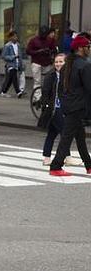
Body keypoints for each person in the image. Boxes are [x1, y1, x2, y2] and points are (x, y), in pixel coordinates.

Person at [48, 35, 91, 176]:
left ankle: (89, 165)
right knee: (67, 137)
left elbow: (60, 88)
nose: (89, 49)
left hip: (68, 105)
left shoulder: (67, 65)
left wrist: (65, 102)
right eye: (87, 47)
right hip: (78, 106)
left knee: (80, 136)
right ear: (80, 48)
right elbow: (89, 88)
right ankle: (55, 166)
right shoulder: (84, 65)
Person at [38, 52, 78, 167]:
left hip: (62, 108)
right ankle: (67, 157)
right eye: (56, 62)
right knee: (65, 133)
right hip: (54, 109)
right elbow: (45, 93)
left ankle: (46, 158)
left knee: (52, 134)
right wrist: (45, 107)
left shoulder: (67, 75)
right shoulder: (51, 75)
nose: (58, 64)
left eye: (61, 61)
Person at [26, 26, 57, 102]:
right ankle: (37, 98)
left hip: (47, 62)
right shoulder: (34, 40)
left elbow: (54, 50)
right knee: (37, 81)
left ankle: (45, 96)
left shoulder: (50, 40)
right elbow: (28, 51)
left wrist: (51, 53)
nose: (43, 36)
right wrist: (38, 51)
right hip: (36, 62)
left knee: (47, 81)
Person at [0, 31, 24, 97]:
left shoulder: (18, 45)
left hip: (17, 64)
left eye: (16, 36)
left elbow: (20, 55)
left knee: (10, 79)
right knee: (14, 77)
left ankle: (3, 91)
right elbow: (4, 56)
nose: (16, 38)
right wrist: (13, 57)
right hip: (10, 65)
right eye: (14, 36)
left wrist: (21, 64)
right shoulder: (7, 46)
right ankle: (18, 92)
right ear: (11, 37)